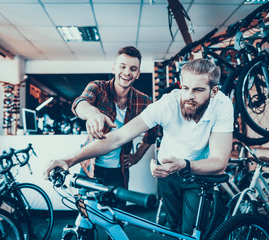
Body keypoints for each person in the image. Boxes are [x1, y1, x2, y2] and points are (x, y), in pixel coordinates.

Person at [45, 58, 233, 235]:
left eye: (198, 90)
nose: (189, 96)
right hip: (167, 173)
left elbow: (219, 162)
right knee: (171, 230)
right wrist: (69, 159)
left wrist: (184, 164)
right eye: (185, 88)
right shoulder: (167, 104)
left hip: (198, 174)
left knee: (190, 232)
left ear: (214, 91)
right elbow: (116, 137)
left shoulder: (222, 106)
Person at [62, 46, 158, 238]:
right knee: (86, 220)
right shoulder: (98, 87)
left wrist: (138, 155)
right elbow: (80, 103)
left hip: (119, 172)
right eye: (122, 66)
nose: (127, 72)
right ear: (114, 68)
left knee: (116, 221)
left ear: (138, 73)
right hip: (88, 168)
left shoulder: (144, 101)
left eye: (133, 68)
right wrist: (93, 113)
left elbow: (153, 132)